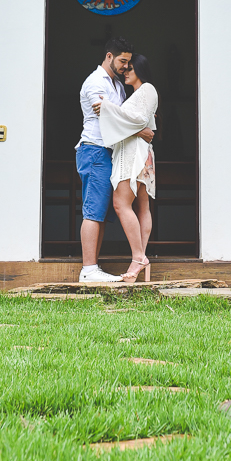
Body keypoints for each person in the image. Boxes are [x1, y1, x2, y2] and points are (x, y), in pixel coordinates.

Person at [75, 37, 154, 283]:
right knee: (93, 211)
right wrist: (140, 130)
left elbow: (119, 115)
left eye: (129, 62)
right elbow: (103, 112)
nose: (125, 66)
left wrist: (121, 117)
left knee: (102, 212)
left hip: (111, 152)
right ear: (109, 56)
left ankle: (94, 266)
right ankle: (88, 269)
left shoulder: (118, 85)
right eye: (122, 61)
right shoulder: (95, 82)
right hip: (95, 149)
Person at [94, 54, 158, 284]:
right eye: (125, 68)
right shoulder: (137, 94)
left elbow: (138, 120)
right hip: (136, 151)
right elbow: (137, 124)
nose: (126, 72)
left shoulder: (148, 89)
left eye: (130, 68)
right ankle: (140, 259)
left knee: (121, 204)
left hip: (135, 154)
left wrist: (107, 108)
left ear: (140, 69)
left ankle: (139, 258)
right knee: (141, 206)